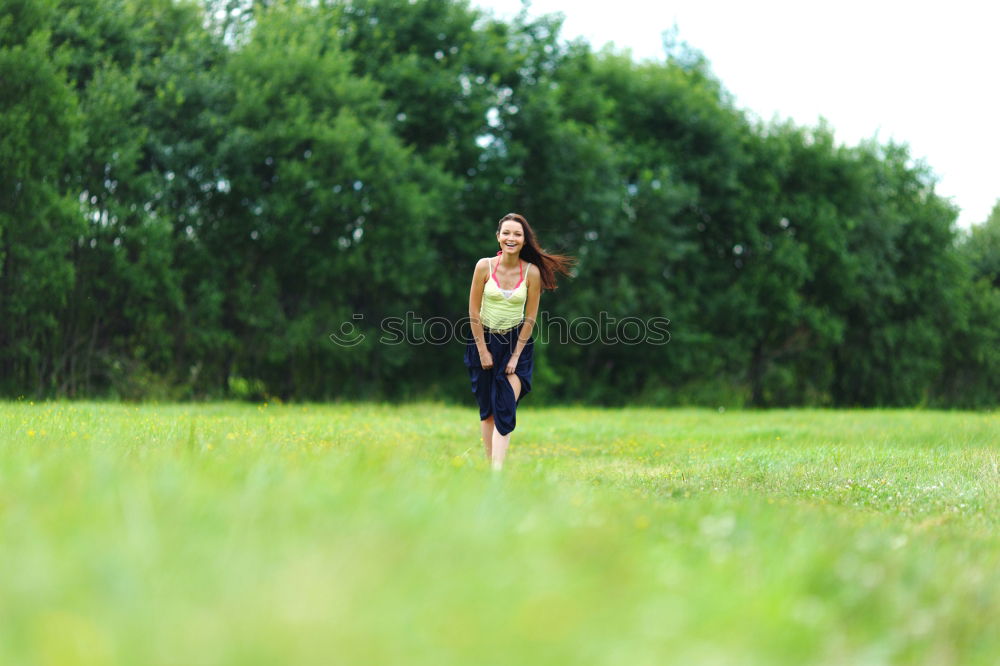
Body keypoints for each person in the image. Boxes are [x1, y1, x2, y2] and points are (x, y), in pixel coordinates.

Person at [465, 213, 573, 471]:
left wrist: (515, 356)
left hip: (516, 345)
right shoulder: (484, 266)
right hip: (483, 342)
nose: (511, 238)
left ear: (524, 240)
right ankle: (491, 467)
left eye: (517, 234)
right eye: (506, 233)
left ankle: (497, 473)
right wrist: (482, 350)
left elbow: (531, 316)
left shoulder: (531, 272)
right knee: (488, 410)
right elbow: (473, 310)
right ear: (498, 237)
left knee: (504, 403)